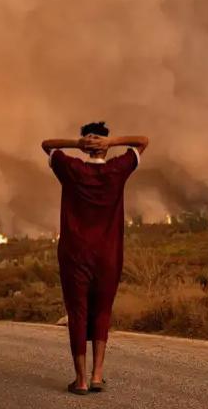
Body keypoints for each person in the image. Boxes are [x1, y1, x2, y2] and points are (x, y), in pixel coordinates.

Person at [41, 121, 149, 396]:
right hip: (108, 255)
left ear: (87, 145)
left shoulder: (72, 169)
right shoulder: (117, 170)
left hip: (75, 254)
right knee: (102, 311)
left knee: (77, 313)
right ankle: (97, 375)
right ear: (103, 143)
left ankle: (81, 381)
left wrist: (76, 144)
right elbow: (143, 141)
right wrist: (112, 143)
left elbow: (46, 145)